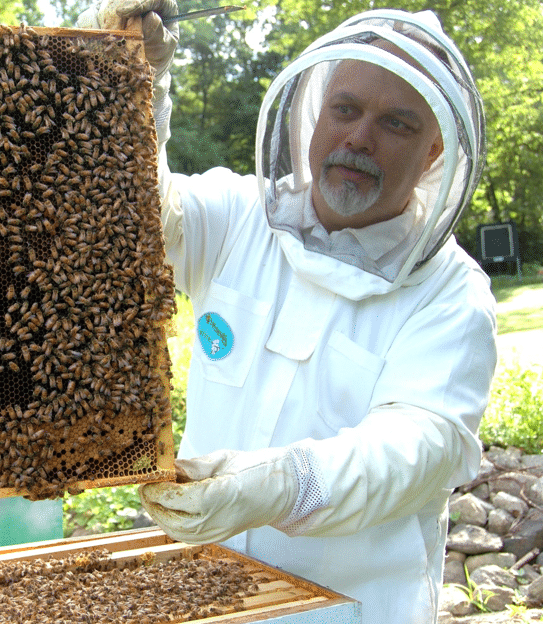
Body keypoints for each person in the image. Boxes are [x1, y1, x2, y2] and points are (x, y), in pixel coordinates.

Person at [77, 4, 496, 623]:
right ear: (313, 112)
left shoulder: (451, 295)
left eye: (396, 123)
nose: (358, 137)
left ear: (435, 151)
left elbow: (420, 446)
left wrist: (286, 483)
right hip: (204, 595)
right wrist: (125, 77)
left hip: (355, 610)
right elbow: (127, 212)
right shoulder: (238, 215)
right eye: (346, 108)